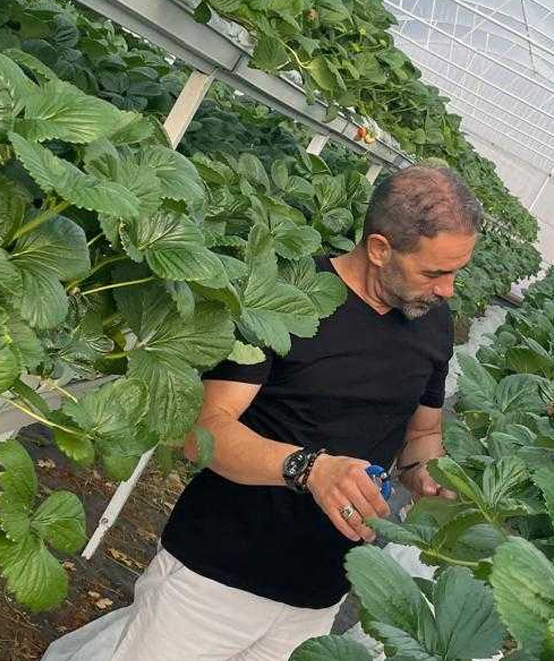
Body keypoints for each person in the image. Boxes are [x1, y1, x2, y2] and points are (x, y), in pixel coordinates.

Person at [42, 165, 481, 661]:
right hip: (216, 578)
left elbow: (422, 433)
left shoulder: (432, 323)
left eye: (455, 272)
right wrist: (311, 468)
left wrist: (428, 475)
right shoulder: (286, 298)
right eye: (434, 273)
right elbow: (203, 431)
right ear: (379, 249)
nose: (447, 289)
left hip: (318, 594)